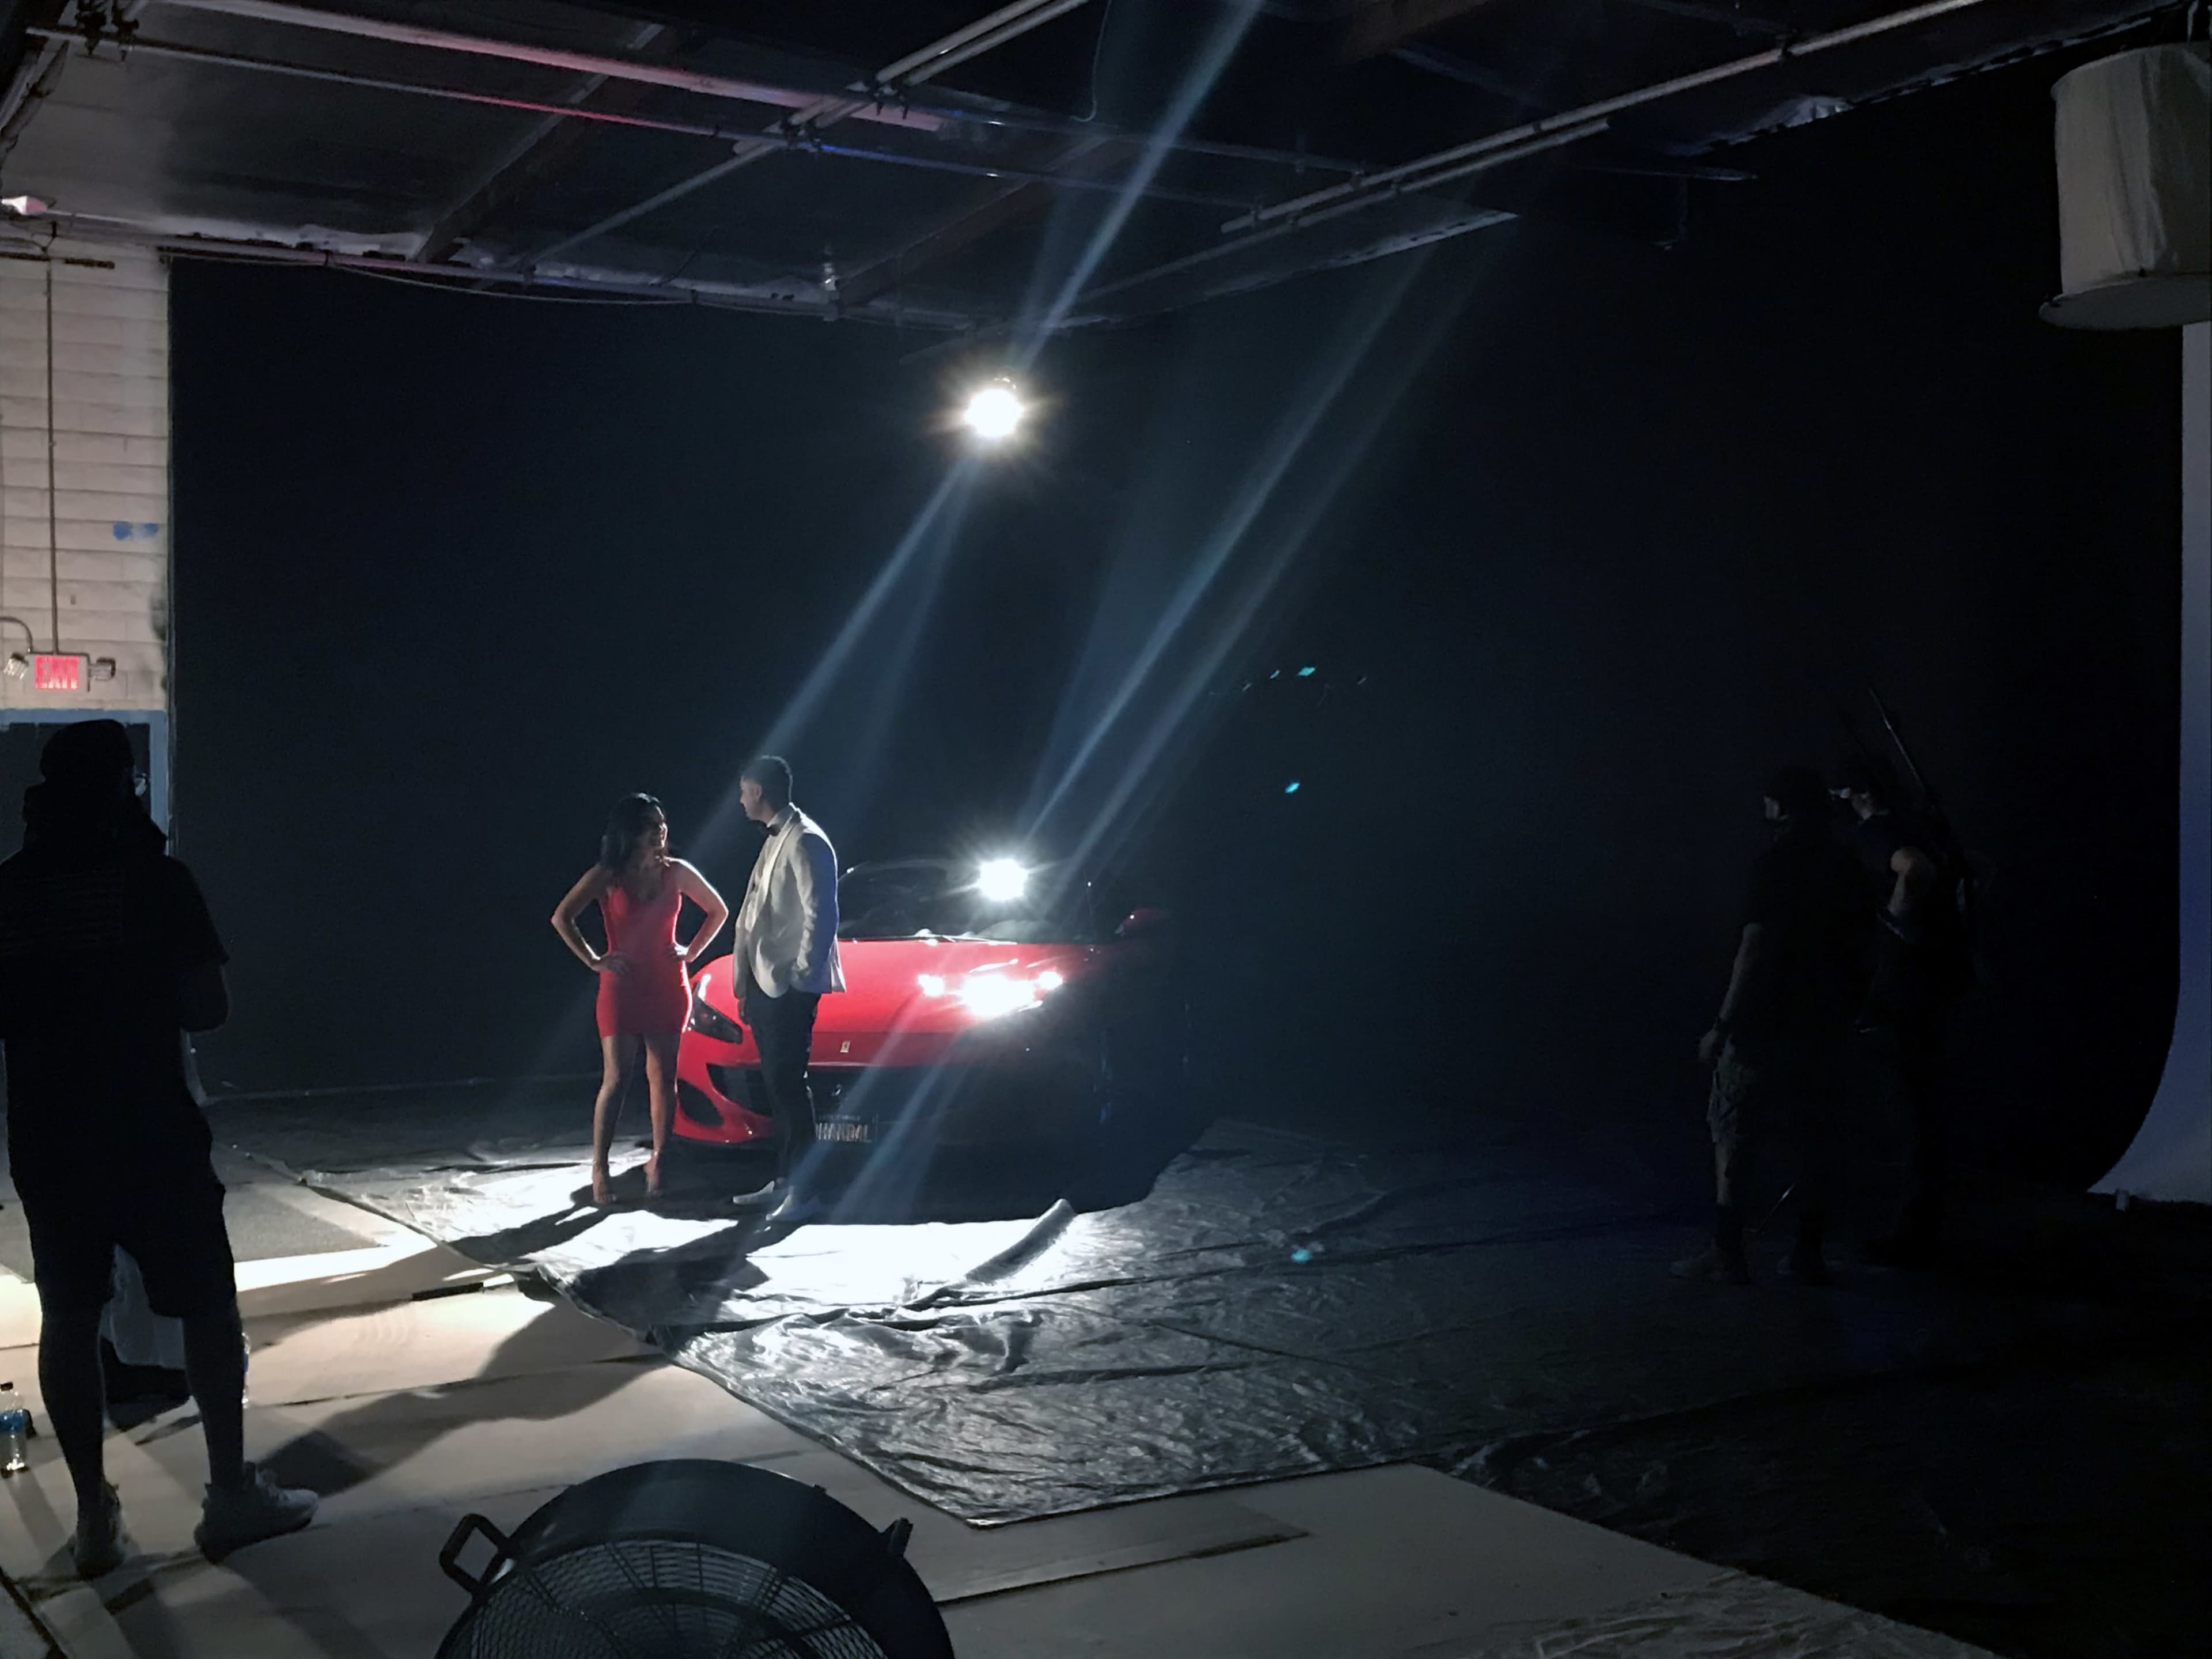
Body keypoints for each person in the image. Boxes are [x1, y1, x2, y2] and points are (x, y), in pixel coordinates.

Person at [0, 721, 316, 1575]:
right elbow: (205, 1006)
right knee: (208, 1306)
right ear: (123, 787)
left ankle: (96, 1518)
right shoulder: (155, 879)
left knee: (69, 1315)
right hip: (147, 1130)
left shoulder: (12, 892)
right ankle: (228, 1496)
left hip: (48, 1137)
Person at [1675, 766, 1868, 1287]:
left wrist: (1723, 1023)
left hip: (1765, 1023)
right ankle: (1808, 1253)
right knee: (1816, 1140)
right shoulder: (1848, 865)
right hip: (1824, 1023)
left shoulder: (1776, 865)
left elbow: (1753, 949)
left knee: (1734, 1133)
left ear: (1781, 808)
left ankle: (1728, 1252)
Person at [552, 794, 728, 1206]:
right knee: (617, 1079)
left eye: (662, 822)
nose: (660, 830)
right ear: (631, 831)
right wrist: (595, 960)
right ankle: (600, 1167)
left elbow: (718, 910)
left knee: (663, 1078)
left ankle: (660, 1162)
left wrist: (691, 951)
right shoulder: (608, 875)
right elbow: (563, 917)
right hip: (623, 986)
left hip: (667, 984)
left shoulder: (677, 872)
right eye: (651, 824)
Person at [1840, 755, 1969, 1267]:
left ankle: (1910, 1230)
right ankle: (1917, 1223)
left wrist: (1897, 933)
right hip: (1935, 988)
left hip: (1908, 992)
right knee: (1924, 1108)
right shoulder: (1924, 828)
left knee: (1911, 1108)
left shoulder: (1880, 833)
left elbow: (1913, 868)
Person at [726, 756, 843, 1224]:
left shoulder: (807, 839)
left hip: (787, 985)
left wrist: (800, 975)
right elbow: (758, 909)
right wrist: (746, 980)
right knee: (778, 1087)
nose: (739, 800)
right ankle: (785, 1181)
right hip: (765, 980)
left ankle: (808, 1190)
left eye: (742, 791)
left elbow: (823, 913)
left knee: (789, 1085)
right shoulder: (778, 835)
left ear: (758, 791)